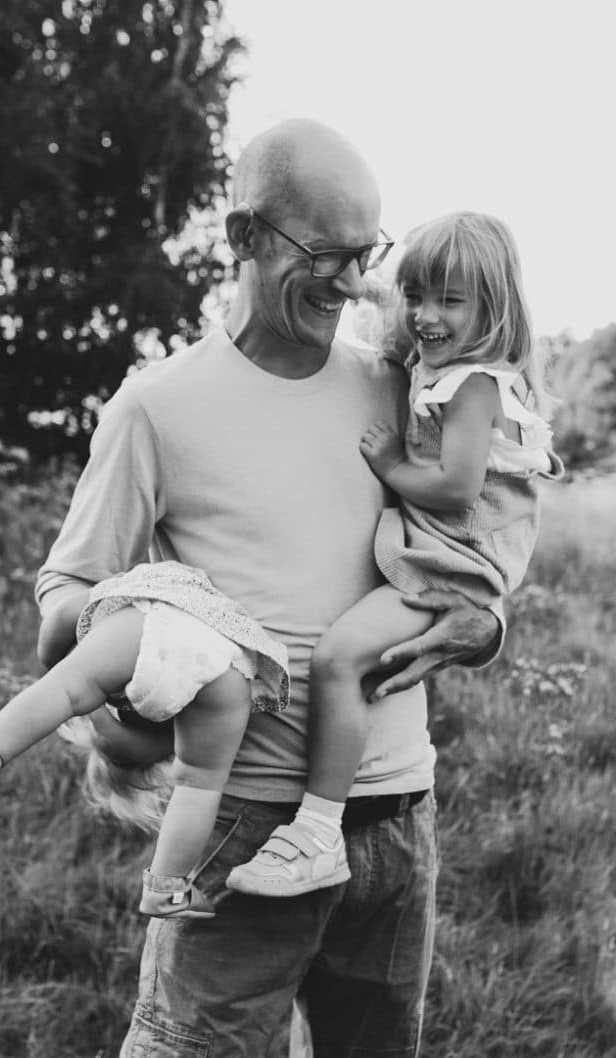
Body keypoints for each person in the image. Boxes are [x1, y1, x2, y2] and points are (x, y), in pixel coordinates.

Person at [34, 120, 502, 1058]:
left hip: (397, 823)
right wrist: (134, 719)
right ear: (241, 236)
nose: (352, 281)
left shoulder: (399, 390)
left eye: (364, 253)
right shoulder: (155, 408)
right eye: (324, 252)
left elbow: (468, 555)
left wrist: (479, 628)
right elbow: (68, 598)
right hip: (241, 827)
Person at [226, 211, 563, 898]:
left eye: (449, 299)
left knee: (337, 658)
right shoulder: (438, 365)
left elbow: (454, 487)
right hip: (442, 551)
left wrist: (388, 464)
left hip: (453, 559)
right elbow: (391, 311)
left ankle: (317, 829)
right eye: (417, 295)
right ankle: (319, 824)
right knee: (339, 658)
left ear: (492, 305)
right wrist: (375, 287)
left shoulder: (473, 386)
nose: (425, 316)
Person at [0, 560, 289, 918]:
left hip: (205, 651)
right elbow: (60, 623)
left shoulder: (162, 739)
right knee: (197, 779)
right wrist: (55, 655)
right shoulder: (123, 626)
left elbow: (186, 765)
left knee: (193, 778)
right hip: (201, 633)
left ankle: (167, 885)